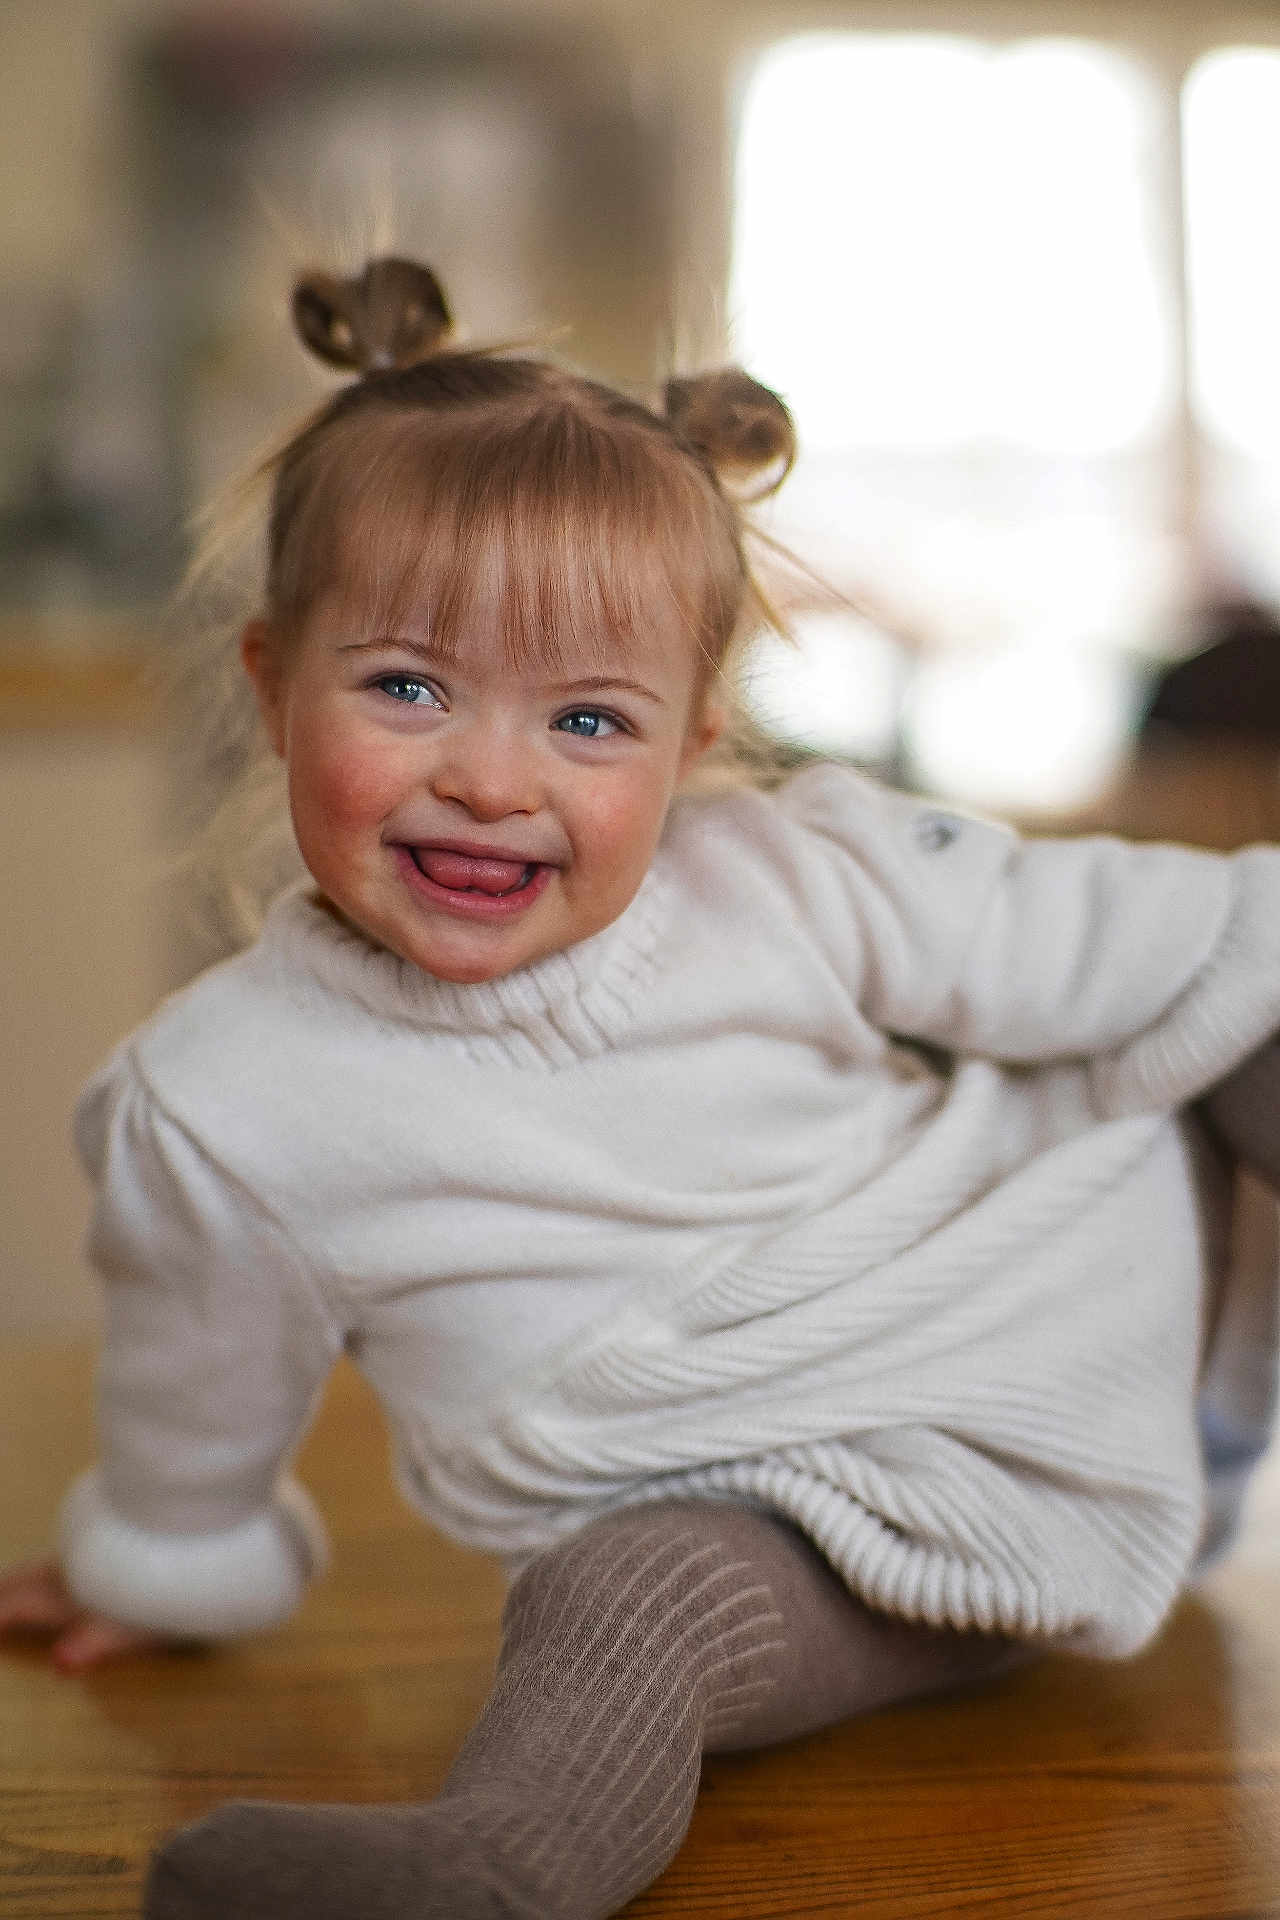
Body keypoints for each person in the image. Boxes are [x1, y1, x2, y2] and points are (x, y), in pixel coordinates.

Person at [2, 255, 1279, 1920]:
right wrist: (161, 1559)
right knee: (619, 1604)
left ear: (690, 746)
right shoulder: (224, 1102)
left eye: (590, 719)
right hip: (828, 1555)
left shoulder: (793, 871)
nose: (489, 775)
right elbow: (196, 1383)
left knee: (1237, 1021)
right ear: (267, 685)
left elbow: (1117, 933)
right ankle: (491, 1870)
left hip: (1098, 1312)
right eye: (406, 686)